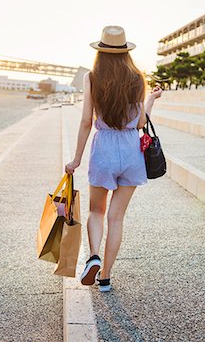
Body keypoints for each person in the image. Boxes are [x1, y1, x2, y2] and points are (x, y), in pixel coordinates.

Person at [65, 25, 162, 292]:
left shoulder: (92, 77)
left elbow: (86, 121)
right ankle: (105, 277)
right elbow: (141, 121)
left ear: (100, 51)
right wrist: (151, 99)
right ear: (125, 51)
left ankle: (93, 255)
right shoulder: (137, 78)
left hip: (104, 148)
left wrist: (76, 159)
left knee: (97, 211)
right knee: (116, 218)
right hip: (131, 151)